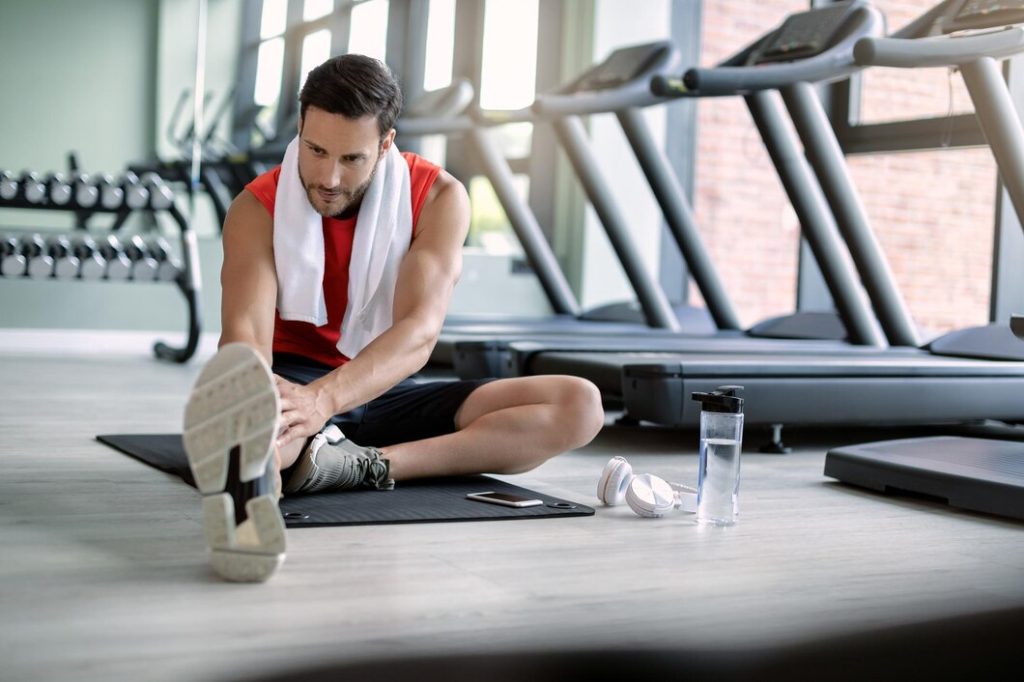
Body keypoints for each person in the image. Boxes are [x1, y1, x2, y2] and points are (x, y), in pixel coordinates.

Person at [182, 54, 604, 583]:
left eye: (351, 159)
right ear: (300, 127)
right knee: (258, 424)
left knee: (579, 404)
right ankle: (247, 506)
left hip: (385, 380)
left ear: (386, 145)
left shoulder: (440, 197)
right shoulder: (255, 207)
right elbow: (245, 339)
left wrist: (326, 402)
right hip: (293, 379)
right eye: (315, 150)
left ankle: (363, 465)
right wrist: (262, 400)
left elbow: (418, 334)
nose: (328, 177)